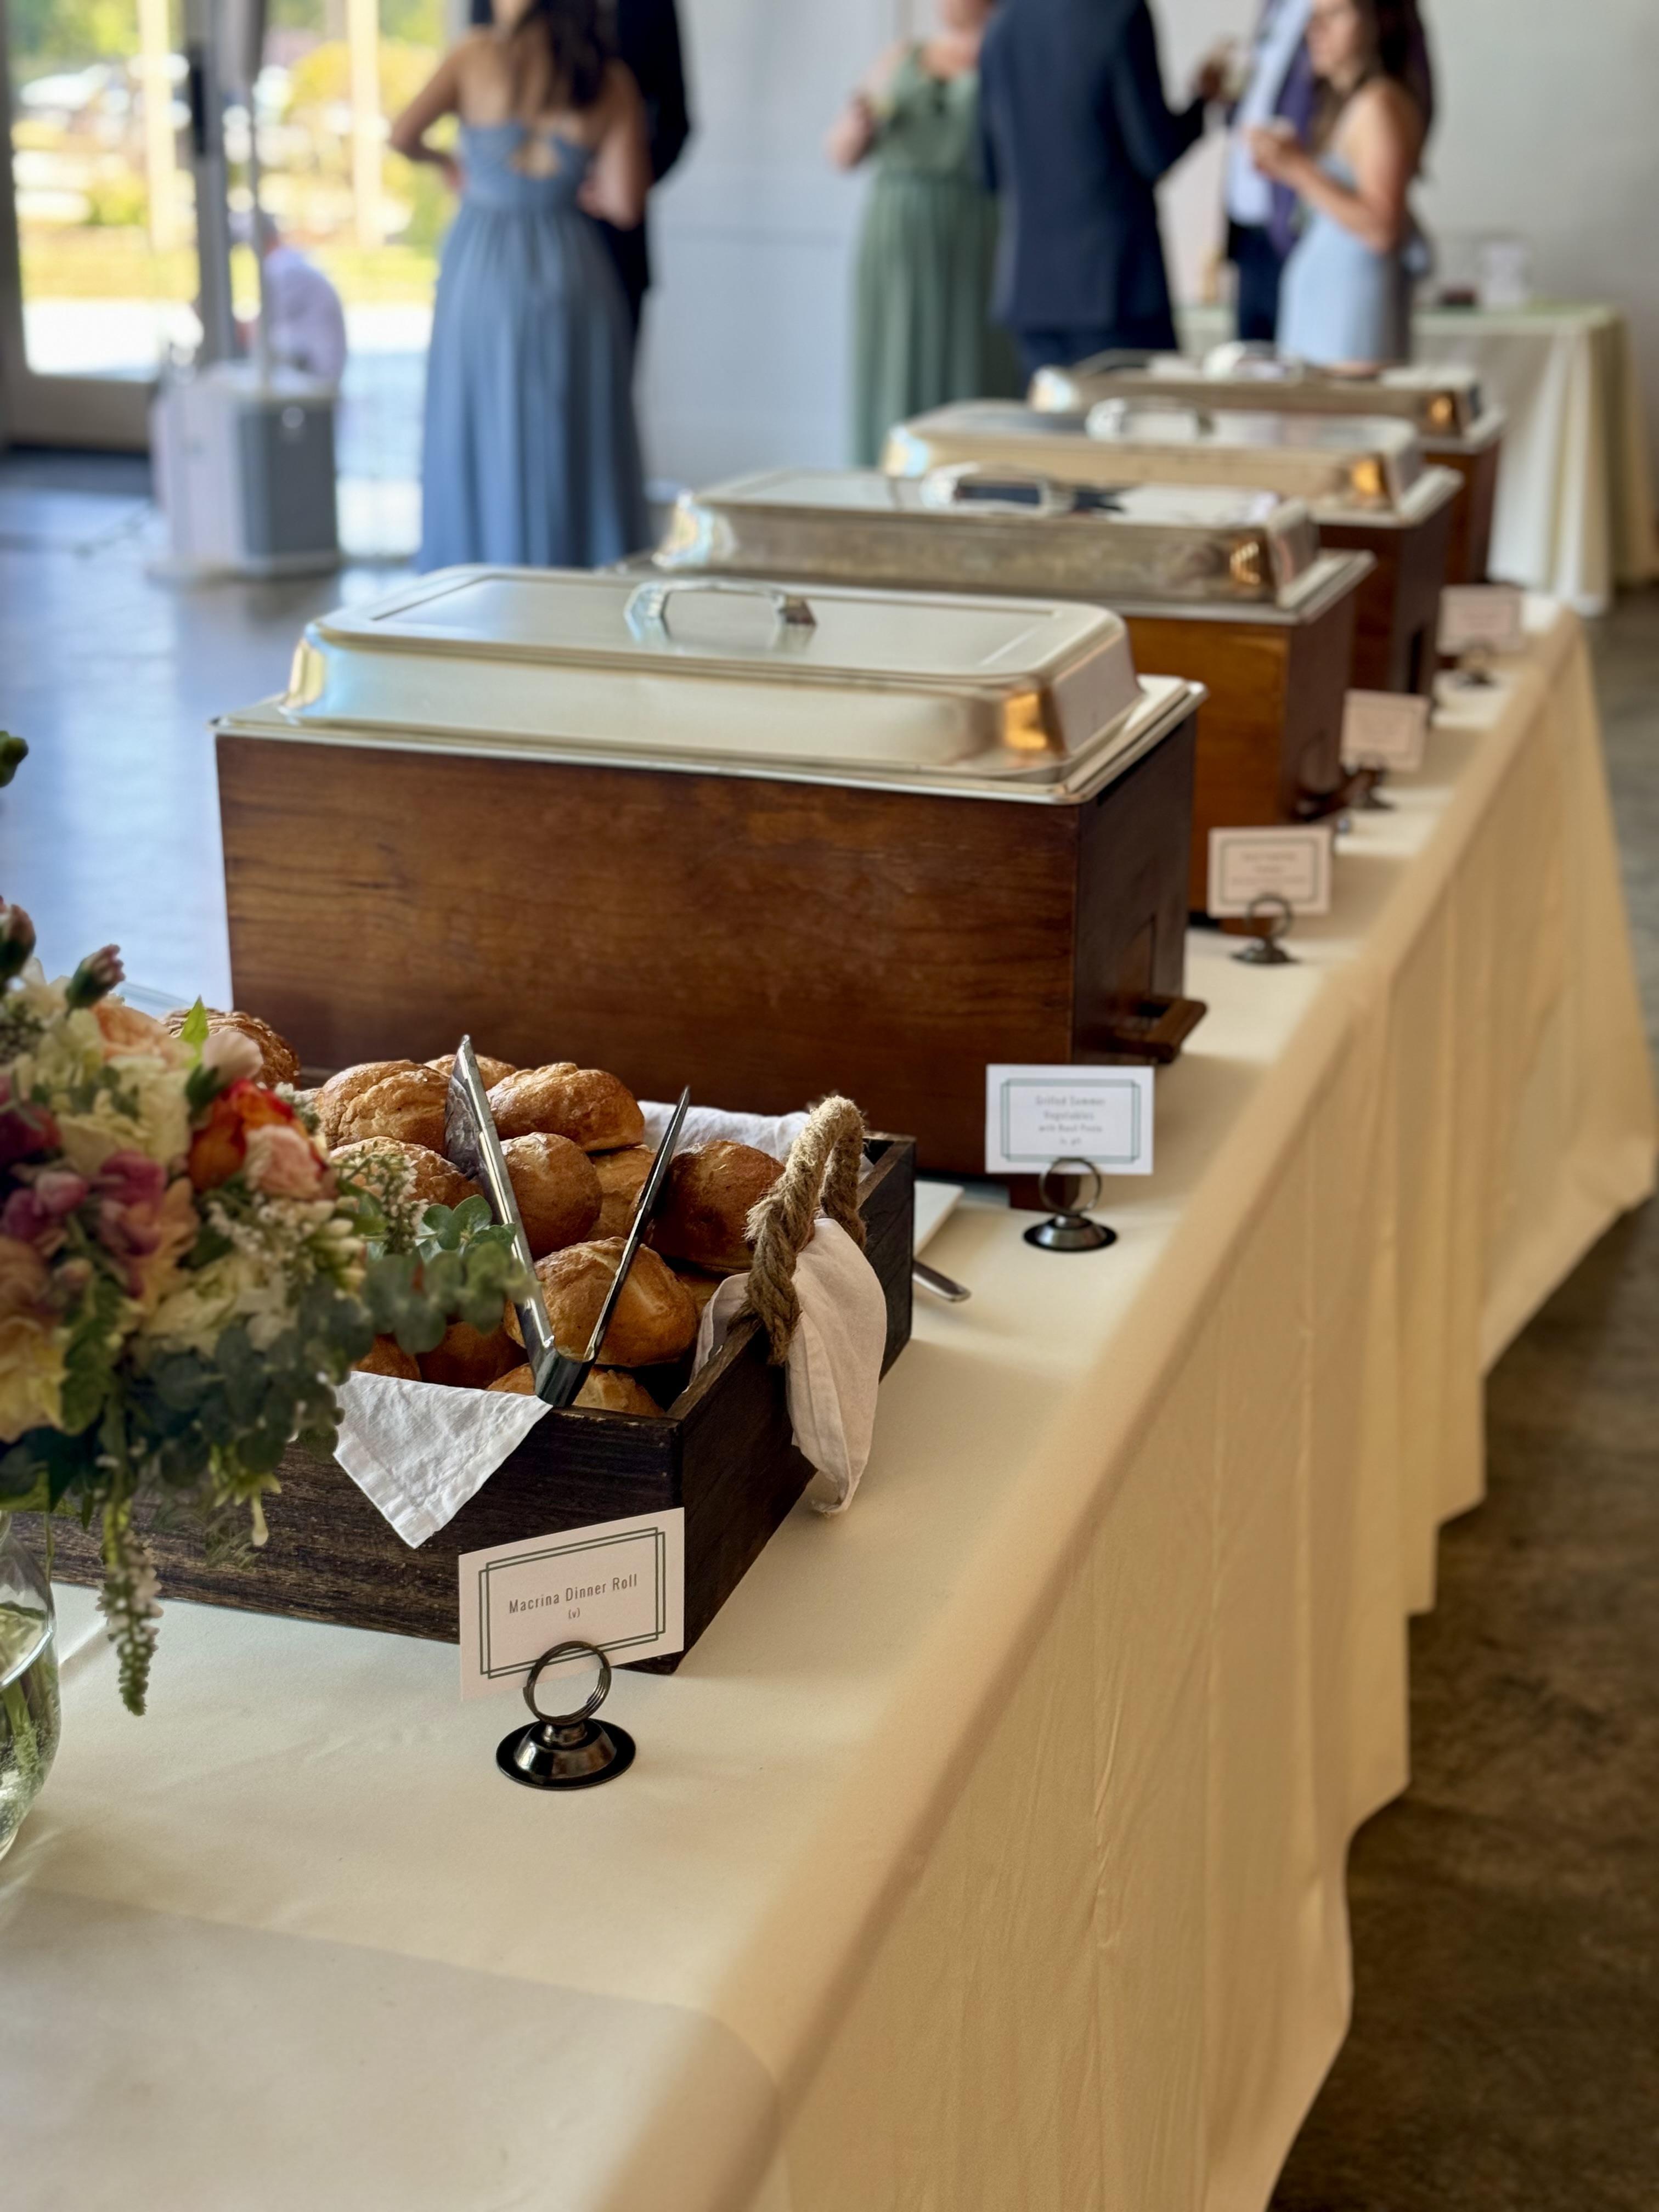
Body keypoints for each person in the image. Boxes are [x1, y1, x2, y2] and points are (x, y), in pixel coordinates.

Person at [392, 0, 651, 572]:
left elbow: (402, 134)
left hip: (482, 271)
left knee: (478, 423)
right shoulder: (609, 79)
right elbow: (626, 203)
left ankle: (477, 577)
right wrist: (583, 189)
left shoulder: (474, 55)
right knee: (574, 432)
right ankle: (573, 580)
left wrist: (446, 163)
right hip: (571, 267)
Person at [977, 0, 1225, 381]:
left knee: (1051, 420)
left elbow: (989, 170)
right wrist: (1201, 102)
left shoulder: (1002, 26)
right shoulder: (1121, 13)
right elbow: (1154, 153)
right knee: (1138, 415)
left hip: (1032, 292)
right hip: (1116, 287)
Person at [827, 1, 1020, 467]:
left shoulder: (1010, 55)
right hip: (898, 235)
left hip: (975, 231)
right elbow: (840, 153)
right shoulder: (902, 57)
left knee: (972, 360)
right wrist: (857, 126)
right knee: (895, 360)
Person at [468, 0, 692, 342]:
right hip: (504, 250)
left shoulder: (649, 12)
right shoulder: (485, 28)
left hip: (613, 243)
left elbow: (675, 122)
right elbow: (479, 83)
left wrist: (619, 185)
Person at [1221, 0, 1432, 344]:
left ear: (1378, 20)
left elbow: (1382, 227)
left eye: (1334, 15)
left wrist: (1296, 169)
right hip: (1331, 313)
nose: (1314, 30)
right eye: (1313, 17)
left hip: (1351, 320)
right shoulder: (1349, 105)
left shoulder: (1378, 105)